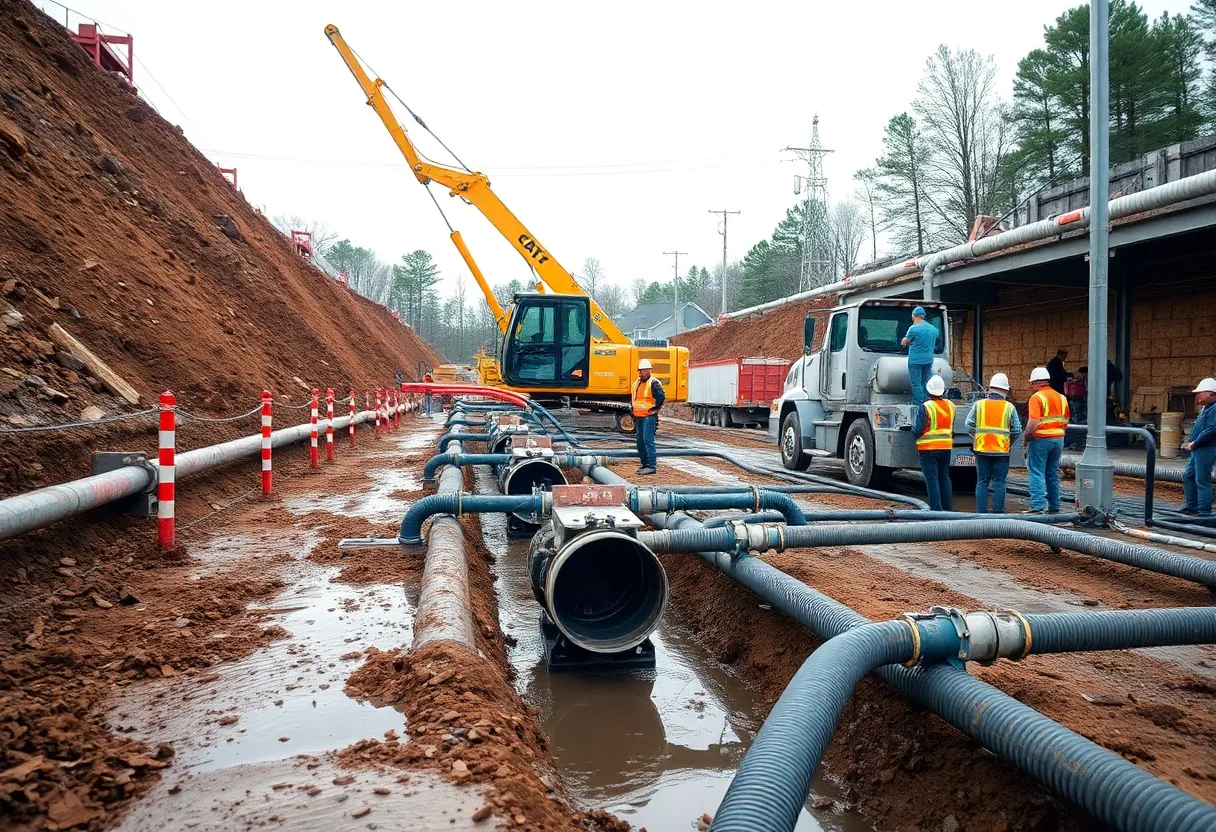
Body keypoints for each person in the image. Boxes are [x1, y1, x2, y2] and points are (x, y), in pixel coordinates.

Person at [965, 372, 1022, 513]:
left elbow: (968, 424)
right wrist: (1008, 442)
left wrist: (977, 438)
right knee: (999, 482)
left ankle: (981, 513)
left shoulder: (979, 405)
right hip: (1001, 451)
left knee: (982, 481)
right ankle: (998, 513)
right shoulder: (1009, 407)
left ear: (990, 388)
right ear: (1005, 390)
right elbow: (1017, 430)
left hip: (982, 449)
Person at [1024, 366, 1071, 513]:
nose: (1031, 386)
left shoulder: (1036, 397)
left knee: (1036, 471)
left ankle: (1037, 506)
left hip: (1040, 440)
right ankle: (1054, 506)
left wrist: (1026, 437)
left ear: (1037, 382)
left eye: (1032, 383)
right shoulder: (1061, 397)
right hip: (1058, 439)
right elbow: (1066, 419)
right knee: (1052, 473)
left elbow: (1033, 422)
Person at [913, 374, 955, 511]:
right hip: (946, 447)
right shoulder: (951, 406)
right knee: (944, 477)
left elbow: (918, 429)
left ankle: (936, 509)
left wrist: (913, 431)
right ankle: (947, 509)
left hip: (928, 448)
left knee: (932, 479)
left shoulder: (925, 407)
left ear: (928, 390)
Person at [1181, 377, 1216, 517]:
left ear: (1211, 393)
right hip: (1198, 449)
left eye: (1201, 392)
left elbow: (1212, 430)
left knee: (1202, 480)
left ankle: (1204, 512)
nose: (1198, 395)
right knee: (1188, 476)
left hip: (1206, 448)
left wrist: (1195, 442)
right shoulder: (1206, 409)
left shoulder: (1214, 409)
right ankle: (1191, 506)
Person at [632, 358, 665, 475]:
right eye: (639, 371)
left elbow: (661, 397)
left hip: (648, 417)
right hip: (639, 416)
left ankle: (651, 466)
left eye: (642, 371)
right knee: (640, 441)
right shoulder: (636, 383)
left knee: (647, 440)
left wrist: (654, 409)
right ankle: (645, 464)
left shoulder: (653, 383)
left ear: (648, 371)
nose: (640, 373)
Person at [901, 306, 938, 407]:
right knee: (925, 382)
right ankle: (927, 405)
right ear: (923, 316)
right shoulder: (934, 329)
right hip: (929, 360)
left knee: (916, 384)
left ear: (913, 317)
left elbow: (904, 343)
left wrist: (904, 340)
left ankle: (919, 406)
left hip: (915, 361)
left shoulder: (913, 328)